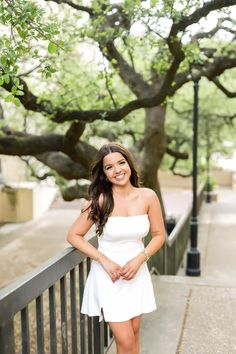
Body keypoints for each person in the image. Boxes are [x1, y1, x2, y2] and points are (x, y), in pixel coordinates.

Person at [67, 142, 165, 354]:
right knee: (126, 341)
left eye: (121, 163)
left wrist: (140, 259)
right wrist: (104, 260)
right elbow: (74, 235)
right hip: (109, 277)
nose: (117, 170)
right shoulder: (101, 201)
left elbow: (159, 235)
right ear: (103, 173)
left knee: (135, 333)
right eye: (109, 167)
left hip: (137, 273)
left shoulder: (148, 196)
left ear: (129, 164)